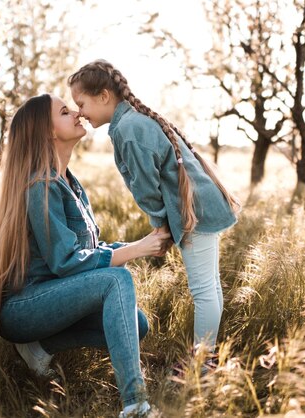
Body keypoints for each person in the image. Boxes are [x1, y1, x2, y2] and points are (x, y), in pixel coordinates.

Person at [0, 94, 170, 417]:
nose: (77, 113)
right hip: (22, 308)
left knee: (137, 324)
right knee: (117, 281)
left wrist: (142, 243)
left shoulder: (68, 182)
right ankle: (136, 404)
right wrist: (134, 251)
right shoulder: (39, 186)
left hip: (52, 298)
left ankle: (39, 348)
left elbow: (85, 253)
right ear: (47, 132)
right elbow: (68, 262)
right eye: (65, 111)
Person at [68, 59, 240, 372]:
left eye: (81, 103)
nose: (79, 111)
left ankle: (203, 363)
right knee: (210, 287)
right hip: (199, 207)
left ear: (104, 96)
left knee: (204, 290)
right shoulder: (130, 122)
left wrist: (160, 227)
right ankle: (207, 358)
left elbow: (146, 188)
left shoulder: (129, 129)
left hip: (194, 212)